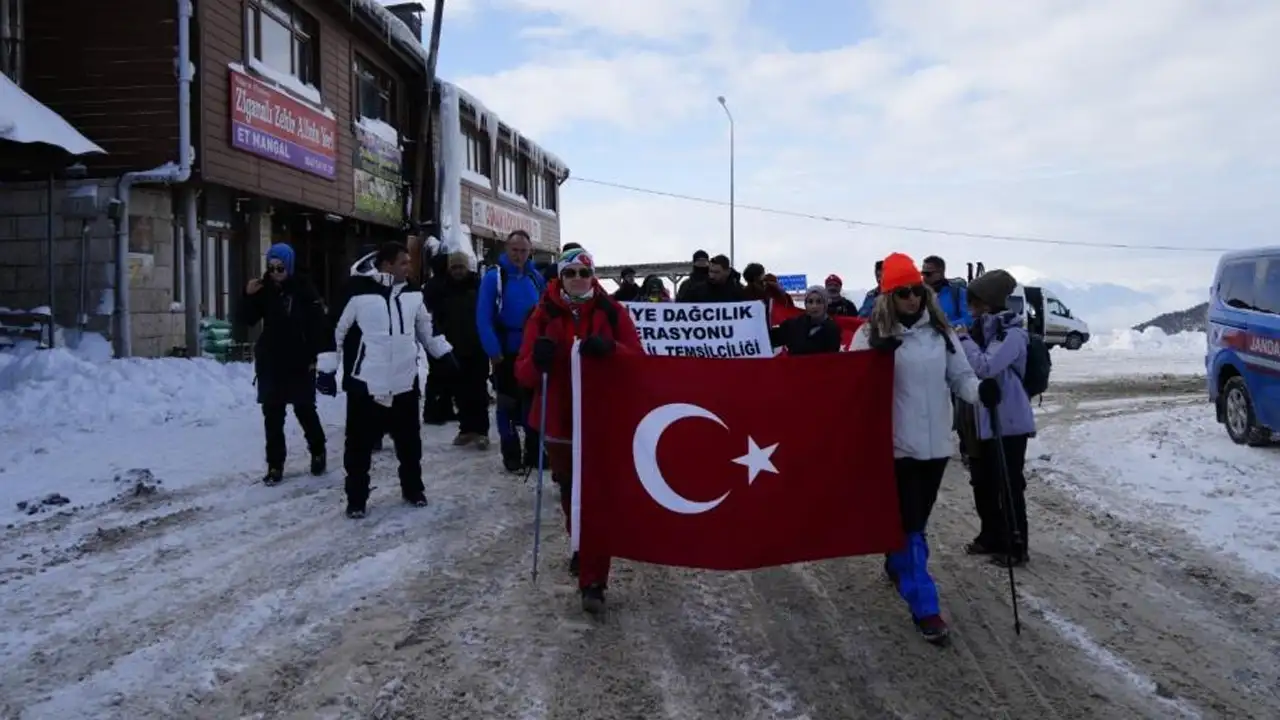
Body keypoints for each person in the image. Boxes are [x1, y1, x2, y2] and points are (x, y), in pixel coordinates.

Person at [849, 252, 990, 644]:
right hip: (895, 447)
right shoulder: (870, 335)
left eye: (917, 290)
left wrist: (983, 392)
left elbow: (961, 378)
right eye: (903, 292)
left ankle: (897, 562)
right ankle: (925, 606)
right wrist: (874, 356)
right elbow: (849, 383)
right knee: (912, 527)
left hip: (936, 447)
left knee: (915, 521)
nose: (912, 298)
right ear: (888, 296)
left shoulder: (940, 333)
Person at [516, 247, 643, 614]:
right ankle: (581, 544)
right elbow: (523, 374)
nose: (577, 279)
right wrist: (538, 359)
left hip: (601, 419)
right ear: (560, 277)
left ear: (593, 277)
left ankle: (593, 579)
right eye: (570, 273)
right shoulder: (542, 314)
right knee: (571, 490)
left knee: (597, 494)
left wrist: (611, 350)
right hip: (558, 419)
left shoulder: (611, 311)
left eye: (583, 273)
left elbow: (637, 359)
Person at [317, 241, 456, 519]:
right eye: (403, 262)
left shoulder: (413, 292)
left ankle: (413, 489)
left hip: (404, 381)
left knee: (410, 445)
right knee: (359, 448)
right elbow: (333, 331)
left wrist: (443, 354)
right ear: (387, 264)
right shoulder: (356, 291)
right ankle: (356, 500)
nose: (409, 267)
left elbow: (427, 327)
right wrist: (327, 369)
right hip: (366, 384)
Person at [956, 269, 1034, 567]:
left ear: (987, 302)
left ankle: (1016, 544)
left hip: (1008, 421)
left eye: (973, 302)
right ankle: (991, 535)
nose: (970, 308)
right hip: (981, 420)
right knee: (984, 481)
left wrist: (964, 340)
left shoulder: (1012, 334)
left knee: (1009, 484)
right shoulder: (983, 330)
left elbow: (986, 367)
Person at [239, 242, 331, 485]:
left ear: (289, 265)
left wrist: (314, 357)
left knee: (304, 409)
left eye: (280, 268)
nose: (275, 273)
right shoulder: (264, 289)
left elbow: (318, 326)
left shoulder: (304, 288)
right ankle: (275, 465)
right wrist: (247, 295)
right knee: (273, 415)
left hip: (299, 360)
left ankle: (318, 450)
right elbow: (247, 319)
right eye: (271, 268)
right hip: (271, 360)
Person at [478, 229, 547, 472]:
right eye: (514, 250)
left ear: (530, 251)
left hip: (531, 350)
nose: (519, 255)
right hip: (506, 350)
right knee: (507, 404)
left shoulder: (535, 278)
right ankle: (511, 453)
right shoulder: (494, 278)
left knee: (533, 402)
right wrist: (493, 350)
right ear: (506, 249)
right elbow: (483, 317)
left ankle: (534, 451)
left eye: (523, 251)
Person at [429, 252, 491, 449]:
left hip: (477, 347)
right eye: (454, 267)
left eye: (460, 267)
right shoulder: (443, 289)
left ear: (467, 267)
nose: (457, 271)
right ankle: (466, 429)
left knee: (478, 392)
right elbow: (435, 317)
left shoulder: (478, 286)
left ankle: (481, 431)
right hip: (453, 348)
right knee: (460, 392)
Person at [422, 248, 457, 425]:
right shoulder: (441, 285)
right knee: (439, 374)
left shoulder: (433, 284)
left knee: (442, 375)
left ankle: (443, 409)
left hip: (440, 333)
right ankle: (434, 411)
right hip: (438, 334)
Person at [770, 285, 841, 355]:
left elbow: (832, 359)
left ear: (825, 305)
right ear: (805, 304)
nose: (814, 306)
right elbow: (770, 339)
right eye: (810, 302)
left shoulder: (832, 329)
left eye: (819, 302)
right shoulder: (794, 325)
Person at [921, 255, 972, 327]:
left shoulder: (957, 292)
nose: (924, 277)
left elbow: (969, 319)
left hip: (954, 333)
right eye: (922, 273)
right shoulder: (919, 294)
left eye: (928, 274)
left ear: (941, 273)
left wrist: (946, 326)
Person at [678, 254, 745, 303]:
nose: (712, 276)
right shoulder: (697, 291)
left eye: (716, 272)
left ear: (727, 272)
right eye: (710, 271)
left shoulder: (739, 291)